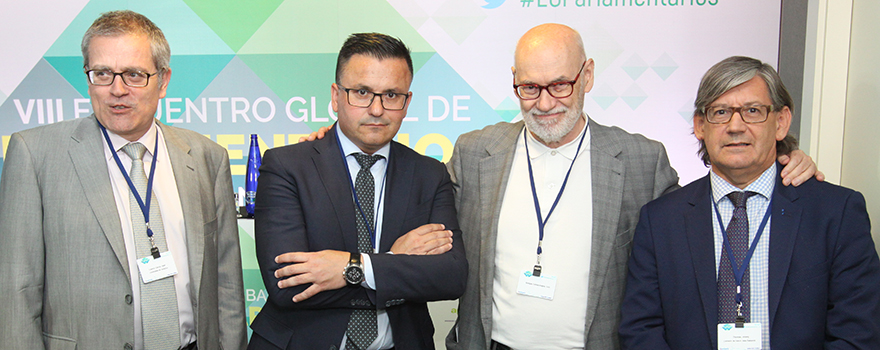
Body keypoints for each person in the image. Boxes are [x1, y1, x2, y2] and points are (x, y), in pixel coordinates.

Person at [443, 24, 826, 350]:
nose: (544, 103)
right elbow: (423, 206)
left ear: (587, 75)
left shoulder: (643, 160)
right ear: (514, 79)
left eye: (560, 85)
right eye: (529, 87)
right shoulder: (475, 153)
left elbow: (705, 221)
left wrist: (784, 158)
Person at [0, 10, 246, 350]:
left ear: (163, 81)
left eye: (133, 75)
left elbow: (227, 285)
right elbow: (16, 291)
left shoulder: (207, 157)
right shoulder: (35, 155)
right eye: (102, 73)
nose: (117, 90)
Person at [619, 56, 880, 349]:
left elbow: (858, 332)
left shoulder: (836, 212)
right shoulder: (660, 220)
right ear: (700, 126)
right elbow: (641, 329)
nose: (735, 126)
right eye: (720, 112)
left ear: (781, 122)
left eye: (752, 111)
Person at [248, 33, 467, 350]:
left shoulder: (429, 174)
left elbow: (450, 276)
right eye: (362, 92)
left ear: (407, 102)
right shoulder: (287, 165)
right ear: (336, 96)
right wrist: (396, 261)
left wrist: (352, 268)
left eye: (391, 95)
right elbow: (288, 284)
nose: (377, 109)